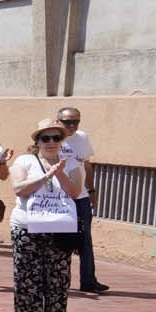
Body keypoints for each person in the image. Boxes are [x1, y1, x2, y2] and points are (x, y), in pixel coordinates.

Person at [9, 118, 83, 312]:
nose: (51, 142)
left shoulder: (72, 163)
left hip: (59, 228)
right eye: (46, 138)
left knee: (57, 280)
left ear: (62, 140)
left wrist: (60, 172)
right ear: (37, 141)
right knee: (27, 278)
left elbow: (75, 193)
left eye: (56, 137)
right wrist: (46, 175)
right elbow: (19, 189)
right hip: (26, 227)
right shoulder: (24, 161)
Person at [56, 107, 106, 293]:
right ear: (58, 121)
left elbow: (86, 163)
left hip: (82, 196)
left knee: (85, 238)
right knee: (60, 240)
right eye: (67, 121)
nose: (72, 126)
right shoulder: (52, 138)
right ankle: (60, 280)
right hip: (59, 198)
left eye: (75, 121)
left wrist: (91, 189)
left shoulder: (82, 138)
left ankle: (88, 280)